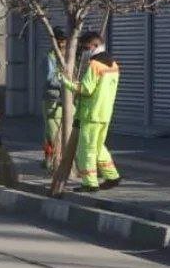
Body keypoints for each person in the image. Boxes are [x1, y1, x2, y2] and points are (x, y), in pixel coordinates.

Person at [63, 31, 121, 193]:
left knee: (86, 150)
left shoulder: (95, 65)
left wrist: (66, 82)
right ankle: (112, 176)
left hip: (91, 113)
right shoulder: (113, 64)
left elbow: (86, 89)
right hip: (105, 113)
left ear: (94, 46)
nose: (83, 50)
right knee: (98, 147)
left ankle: (90, 183)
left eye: (85, 47)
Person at [42, 27, 67, 172]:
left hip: (65, 99)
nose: (63, 45)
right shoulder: (50, 57)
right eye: (62, 41)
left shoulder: (68, 56)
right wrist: (64, 82)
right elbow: (49, 78)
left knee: (60, 131)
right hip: (52, 98)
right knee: (51, 132)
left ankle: (53, 160)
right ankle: (51, 161)